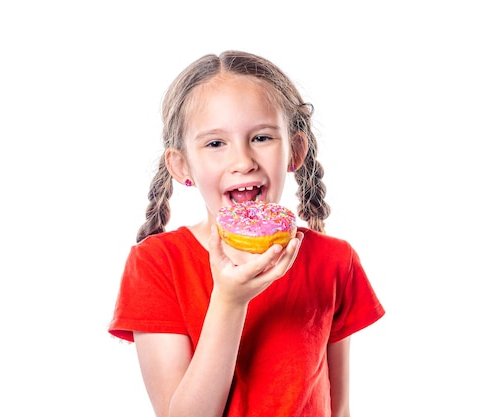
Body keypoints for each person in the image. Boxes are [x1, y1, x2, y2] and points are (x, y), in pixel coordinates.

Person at [108, 50, 385, 417]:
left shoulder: (335, 260)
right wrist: (229, 301)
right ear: (181, 165)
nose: (243, 161)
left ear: (295, 150)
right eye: (215, 143)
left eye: (262, 137)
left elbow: (339, 407)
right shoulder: (156, 264)